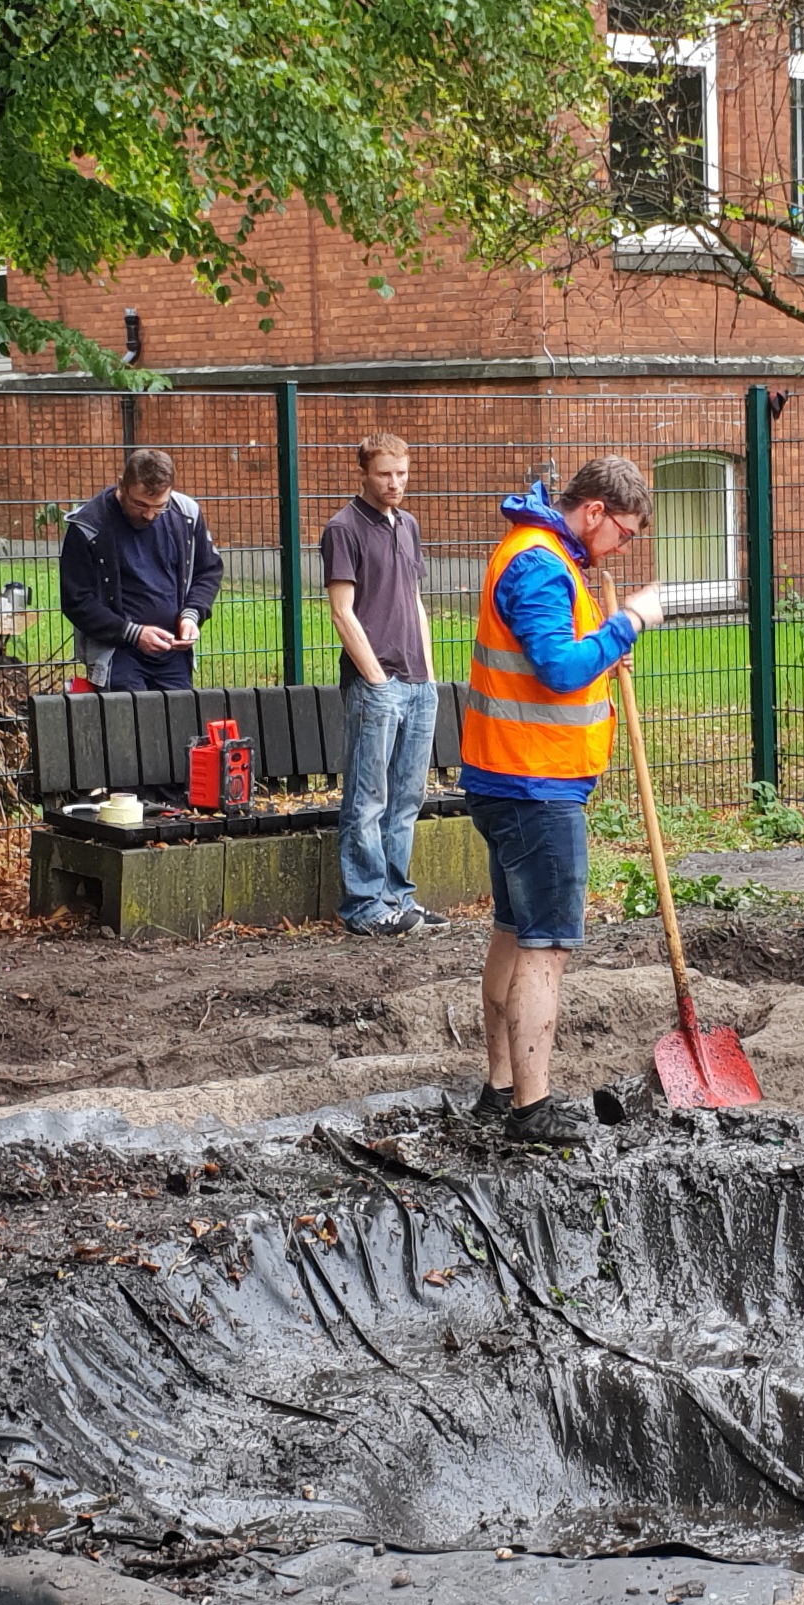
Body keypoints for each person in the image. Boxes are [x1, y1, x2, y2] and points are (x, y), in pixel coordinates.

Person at [461, 458, 664, 1143]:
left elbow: (563, 657)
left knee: (513, 936)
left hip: (509, 780)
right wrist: (626, 626)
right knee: (545, 948)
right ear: (596, 512)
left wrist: (603, 649)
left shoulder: (536, 552)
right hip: (533, 787)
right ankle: (533, 1108)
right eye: (625, 535)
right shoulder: (542, 565)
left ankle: (499, 1088)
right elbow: (555, 669)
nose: (622, 550)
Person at [324, 431, 441, 936]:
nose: (395, 483)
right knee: (368, 799)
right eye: (384, 474)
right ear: (364, 473)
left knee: (406, 801)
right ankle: (364, 905)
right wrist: (375, 678)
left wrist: (430, 674)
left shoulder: (408, 525)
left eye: (402, 473)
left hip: (418, 683)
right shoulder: (343, 528)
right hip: (377, 687)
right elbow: (341, 612)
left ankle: (398, 897)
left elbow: (414, 599)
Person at [61, 448, 222, 691]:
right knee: (132, 725)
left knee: (180, 725)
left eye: (159, 506)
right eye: (139, 504)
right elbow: (77, 601)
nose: (149, 514)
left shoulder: (186, 514)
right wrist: (134, 634)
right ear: (121, 485)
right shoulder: (88, 526)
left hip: (173, 652)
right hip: (117, 653)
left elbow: (208, 570)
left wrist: (192, 614)